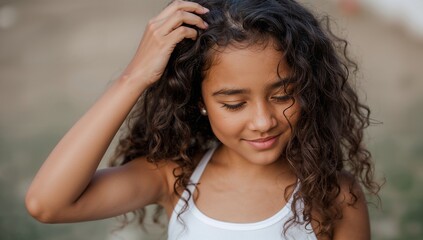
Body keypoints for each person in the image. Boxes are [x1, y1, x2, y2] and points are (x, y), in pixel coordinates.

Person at [25, 0, 380, 239]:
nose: (262, 121)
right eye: (234, 103)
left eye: (283, 95)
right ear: (199, 102)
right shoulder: (175, 178)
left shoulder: (334, 195)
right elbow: (48, 204)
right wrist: (133, 77)